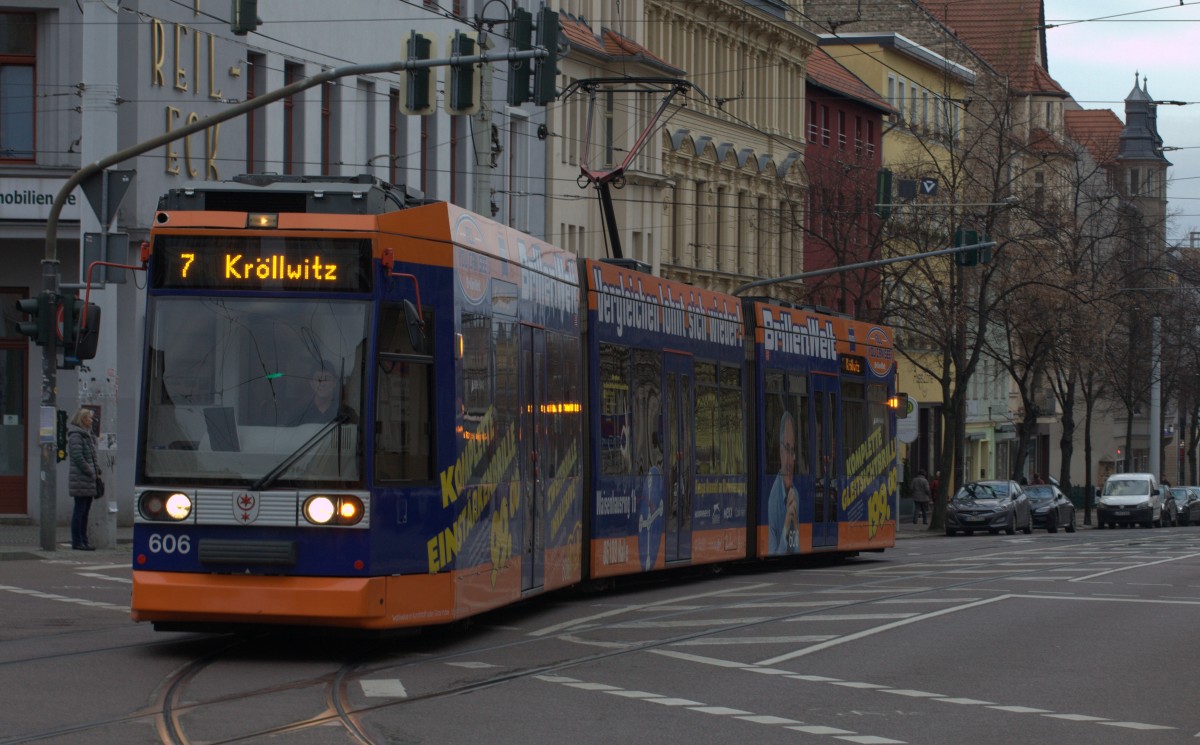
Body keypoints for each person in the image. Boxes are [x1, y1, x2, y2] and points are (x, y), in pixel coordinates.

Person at [66, 407, 100, 551]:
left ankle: (83, 540)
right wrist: (91, 471)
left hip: (87, 479)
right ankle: (77, 541)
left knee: (84, 512)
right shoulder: (76, 436)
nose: (91, 421)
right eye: (89, 418)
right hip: (81, 479)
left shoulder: (87, 436)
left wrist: (96, 469)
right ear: (82, 419)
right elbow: (78, 457)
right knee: (79, 511)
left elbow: (91, 456)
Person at [767, 410, 799, 554]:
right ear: (780, 451)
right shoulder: (772, 501)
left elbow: (798, 552)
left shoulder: (795, 494)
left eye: (792, 451)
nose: (789, 460)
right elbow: (773, 554)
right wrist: (787, 523)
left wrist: (796, 524)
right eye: (786, 449)